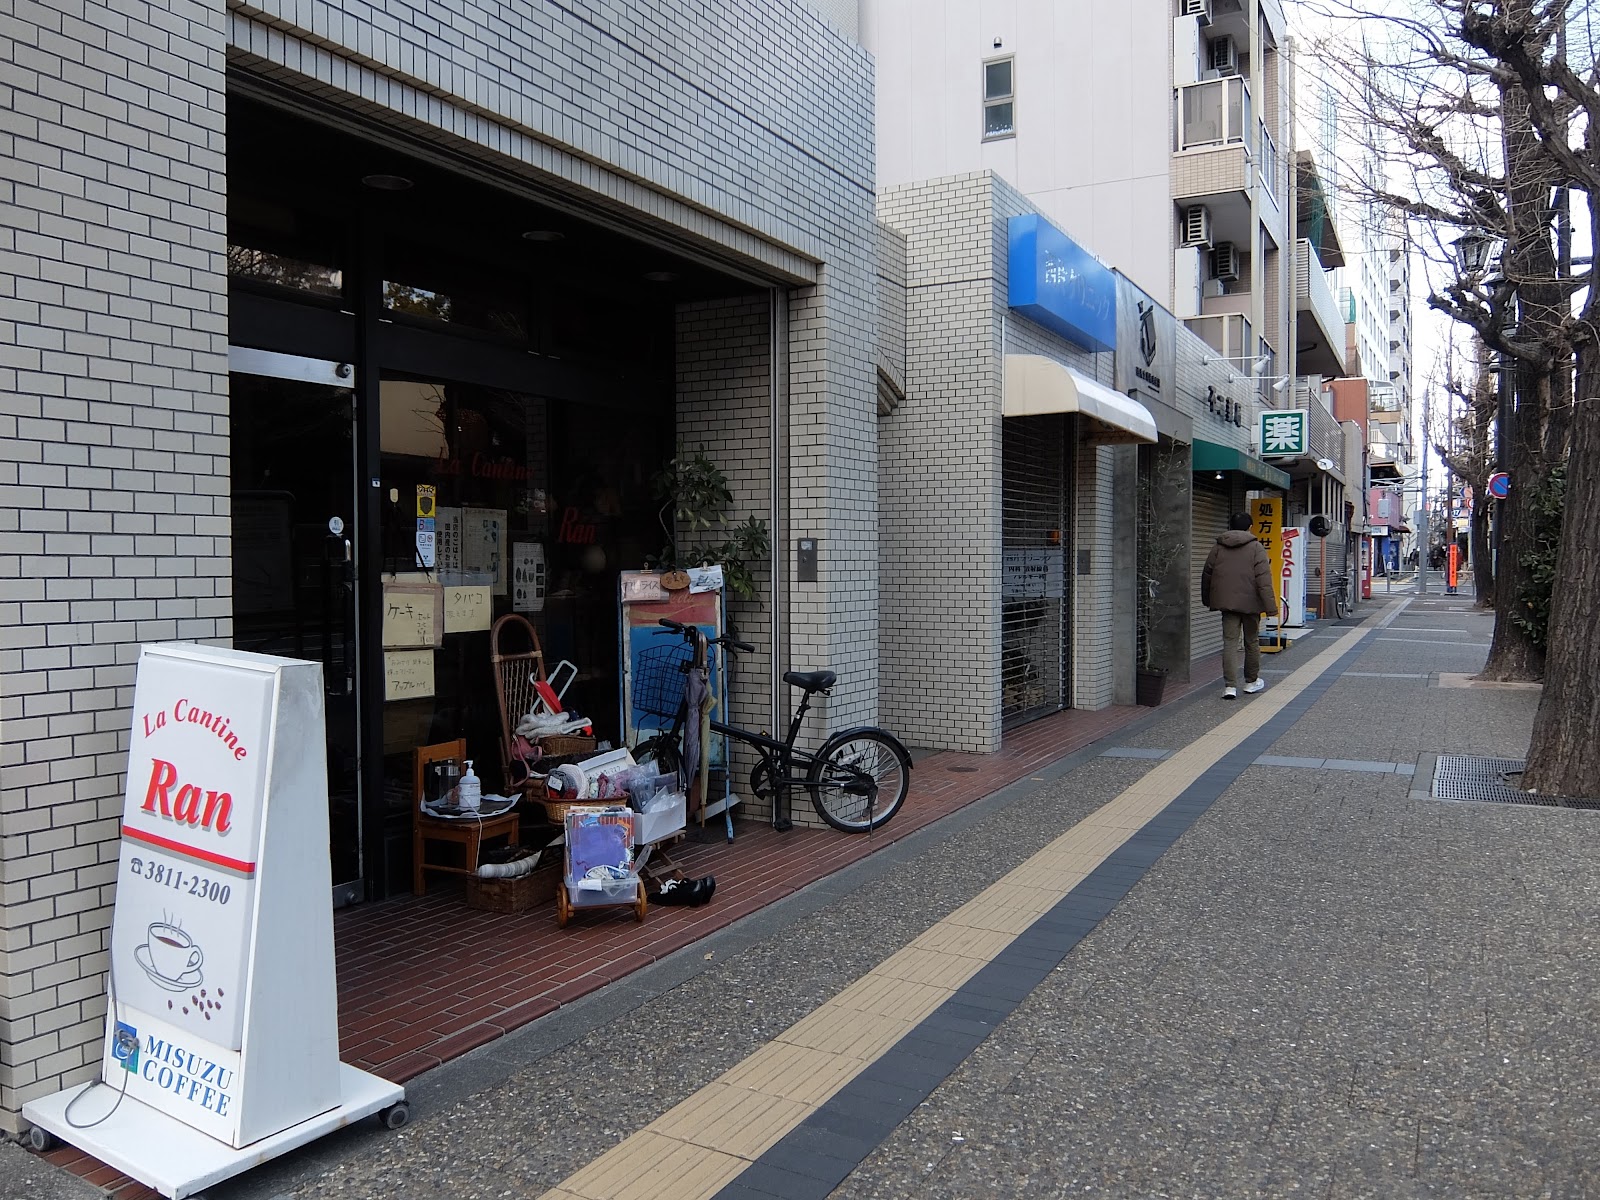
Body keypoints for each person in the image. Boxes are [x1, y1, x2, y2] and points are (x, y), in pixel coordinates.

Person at [1201, 512, 1277, 700]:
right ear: (1250, 527)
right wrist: (1271, 607)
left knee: (1229, 643)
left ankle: (1230, 686)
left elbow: (1207, 575)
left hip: (1227, 604)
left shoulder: (1219, 547)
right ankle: (1251, 682)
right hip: (1251, 605)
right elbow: (1264, 580)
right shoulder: (1256, 547)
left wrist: (1207, 599)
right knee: (1251, 642)